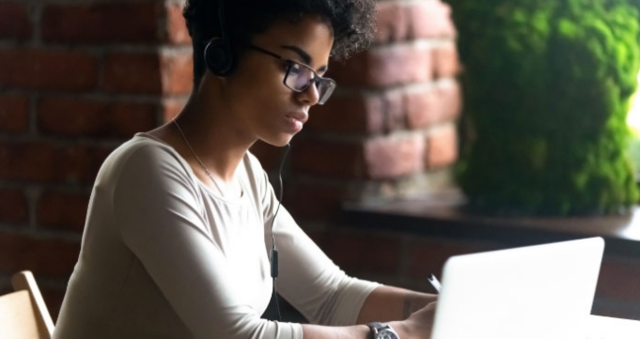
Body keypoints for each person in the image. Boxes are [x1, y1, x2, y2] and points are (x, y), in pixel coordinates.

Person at [52, 0, 438, 338]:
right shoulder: (145, 171)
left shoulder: (248, 177)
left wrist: (447, 310)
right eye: (295, 67)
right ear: (223, 54)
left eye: (318, 76)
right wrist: (400, 335)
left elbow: (332, 296)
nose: (312, 94)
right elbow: (239, 336)